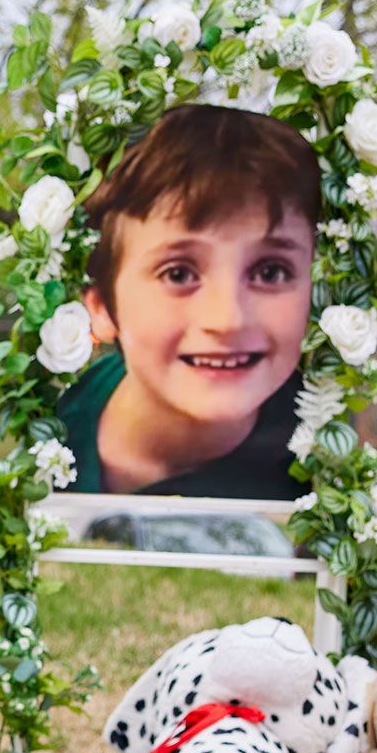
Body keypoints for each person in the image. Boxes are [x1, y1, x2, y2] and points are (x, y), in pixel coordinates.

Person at [60, 104, 319, 499]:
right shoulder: (53, 428)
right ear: (100, 307)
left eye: (270, 272)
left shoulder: (321, 470)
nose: (228, 320)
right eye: (178, 274)